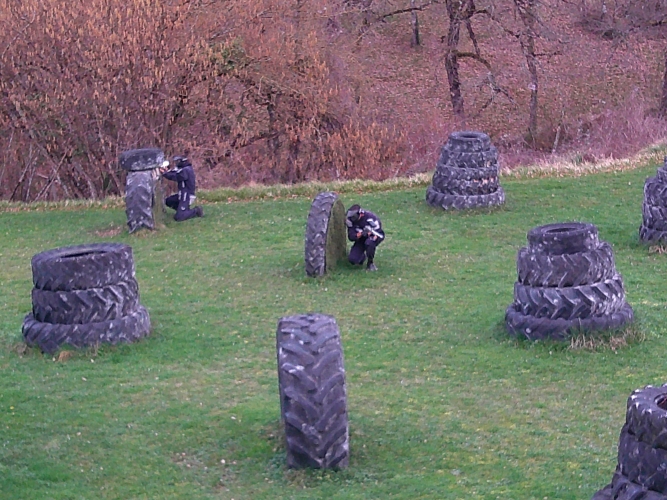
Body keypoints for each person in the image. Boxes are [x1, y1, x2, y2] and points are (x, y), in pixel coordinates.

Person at [159, 156, 204, 221]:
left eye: (177, 161)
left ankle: (196, 211)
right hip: (182, 194)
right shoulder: (183, 169)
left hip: (187, 195)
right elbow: (174, 172)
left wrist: (164, 174)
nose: (176, 163)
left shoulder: (186, 170)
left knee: (179, 217)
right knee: (168, 201)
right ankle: (183, 210)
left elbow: (176, 176)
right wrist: (166, 172)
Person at [345, 204, 385, 271]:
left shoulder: (370, 218)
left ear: (360, 214)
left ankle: (370, 263)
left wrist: (370, 235)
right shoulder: (350, 221)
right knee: (353, 259)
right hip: (361, 239)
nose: (352, 219)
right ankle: (362, 257)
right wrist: (361, 234)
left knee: (369, 243)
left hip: (373, 236)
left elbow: (378, 233)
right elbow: (351, 237)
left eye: (354, 217)